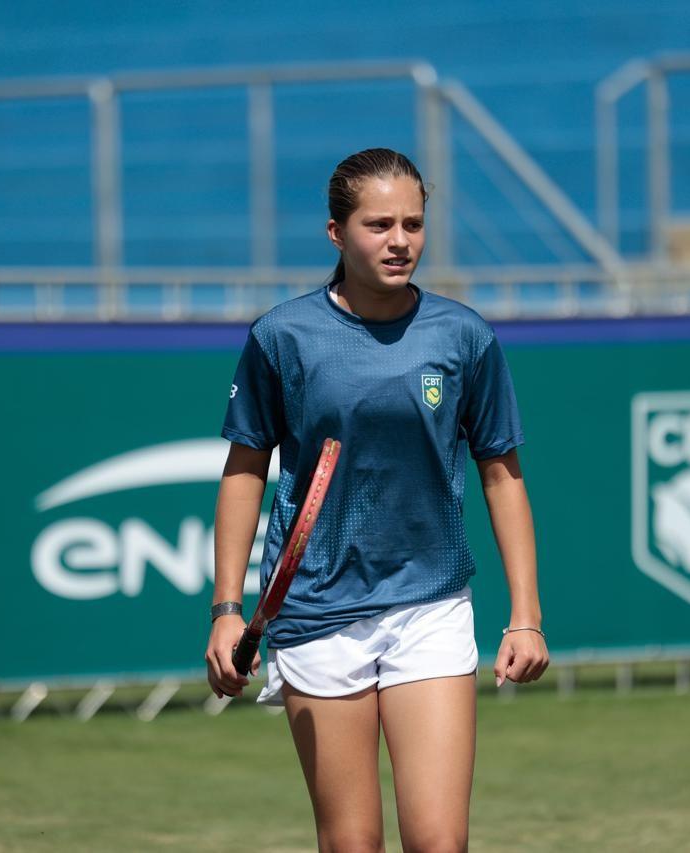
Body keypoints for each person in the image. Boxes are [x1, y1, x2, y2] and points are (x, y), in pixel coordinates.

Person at [205, 147, 547, 852]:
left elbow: (501, 474)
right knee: (352, 842)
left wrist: (526, 617)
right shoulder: (282, 336)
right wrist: (227, 608)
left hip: (431, 604)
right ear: (337, 233)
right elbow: (244, 469)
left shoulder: (463, 336)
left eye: (413, 224)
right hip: (318, 612)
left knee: (439, 842)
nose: (400, 241)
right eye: (379, 224)